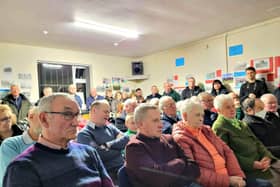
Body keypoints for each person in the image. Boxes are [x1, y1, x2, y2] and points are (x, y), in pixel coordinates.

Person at [3, 93, 114, 187]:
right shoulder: (22, 168)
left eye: (77, 115)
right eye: (67, 114)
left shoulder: (89, 153)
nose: (76, 123)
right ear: (44, 119)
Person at [172, 99, 252, 187]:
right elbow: (193, 171)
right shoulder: (181, 138)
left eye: (202, 115)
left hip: (230, 177)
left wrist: (238, 176)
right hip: (215, 182)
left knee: (264, 184)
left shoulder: (206, 130)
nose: (201, 118)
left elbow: (228, 152)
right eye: (197, 115)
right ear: (185, 116)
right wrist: (228, 181)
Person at [125, 103, 201, 187]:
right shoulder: (134, 147)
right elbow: (156, 179)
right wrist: (180, 162)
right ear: (140, 124)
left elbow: (194, 168)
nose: (161, 125)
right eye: (155, 120)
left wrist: (169, 175)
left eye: (160, 119)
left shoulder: (169, 139)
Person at [212, 94, 278, 186]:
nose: (232, 109)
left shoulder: (240, 123)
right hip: (247, 169)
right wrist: (252, 164)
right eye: (227, 107)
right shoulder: (219, 127)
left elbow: (257, 142)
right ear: (218, 110)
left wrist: (266, 156)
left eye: (233, 106)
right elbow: (227, 154)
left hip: (262, 161)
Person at [77, 100, 129, 184]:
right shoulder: (84, 134)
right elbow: (97, 155)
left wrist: (107, 145)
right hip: (108, 175)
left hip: (124, 169)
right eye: (105, 112)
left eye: (109, 112)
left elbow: (126, 138)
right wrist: (118, 147)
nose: (108, 115)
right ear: (94, 111)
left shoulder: (110, 127)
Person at [0, 106, 41, 186]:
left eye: (9, 117)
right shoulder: (9, 144)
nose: (7, 121)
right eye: (3, 119)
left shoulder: (21, 132)